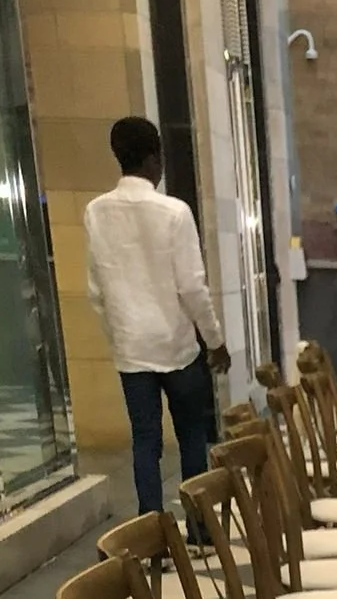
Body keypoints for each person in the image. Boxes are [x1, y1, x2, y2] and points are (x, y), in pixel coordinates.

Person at [85, 115, 231, 524]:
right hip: (177, 345)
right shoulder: (174, 212)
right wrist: (215, 341)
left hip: (132, 349)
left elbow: (97, 290)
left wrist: (117, 337)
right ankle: (201, 526)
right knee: (191, 435)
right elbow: (193, 287)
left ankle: (151, 533)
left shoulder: (96, 213)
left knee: (145, 441)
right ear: (154, 159)